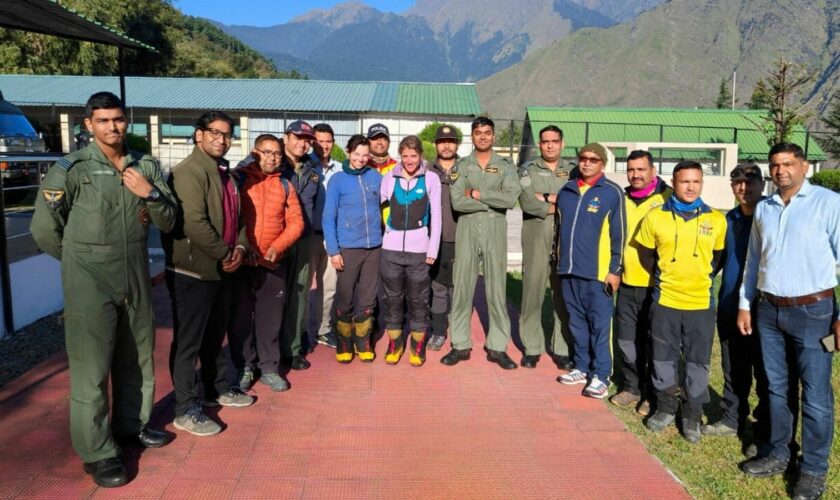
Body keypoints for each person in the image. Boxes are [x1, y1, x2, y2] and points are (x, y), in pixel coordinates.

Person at [31, 92, 176, 488]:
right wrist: (80, 263)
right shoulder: (72, 169)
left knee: (136, 358)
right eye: (104, 120)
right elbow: (44, 228)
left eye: (119, 119)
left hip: (133, 275)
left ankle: (132, 426)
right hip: (89, 280)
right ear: (88, 125)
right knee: (91, 370)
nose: (113, 127)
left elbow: (168, 218)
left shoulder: (144, 166)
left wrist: (150, 192)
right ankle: (98, 451)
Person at [737, 143, 840, 500]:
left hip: (815, 313)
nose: (781, 170)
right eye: (775, 165)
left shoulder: (829, 203)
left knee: (815, 395)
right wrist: (745, 304)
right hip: (768, 312)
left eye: (788, 164)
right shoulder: (764, 207)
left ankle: (812, 471)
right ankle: (778, 453)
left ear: (804, 166)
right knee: (777, 389)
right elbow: (753, 260)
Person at [164, 111, 254, 438]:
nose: (221, 139)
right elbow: (194, 224)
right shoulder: (189, 172)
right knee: (189, 341)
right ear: (199, 135)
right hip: (193, 271)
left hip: (221, 269)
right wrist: (226, 253)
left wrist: (240, 249)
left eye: (227, 134)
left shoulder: (225, 175)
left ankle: (216, 388)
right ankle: (185, 407)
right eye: (214, 132)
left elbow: (240, 220)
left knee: (215, 336)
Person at [704, 164, 797, 458]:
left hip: (766, 311)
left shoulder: (772, 217)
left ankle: (763, 428)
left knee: (768, 373)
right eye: (738, 183)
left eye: (750, 182)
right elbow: (713, 263)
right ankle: (733, 418)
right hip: (731, 307)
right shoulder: (726, 220)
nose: (744, 188)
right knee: (734, 368)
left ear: (762, 183)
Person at [636, 161, 726, 443]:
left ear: (701, 184)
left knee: (697, 362)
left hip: (700, 304)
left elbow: (718, 259)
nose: (690, 187)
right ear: (673, 183)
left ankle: (692, 415)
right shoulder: (655, 217)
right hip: (666, 301)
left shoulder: (716, 219)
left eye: (696, 182)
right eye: (685, 181)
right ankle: (664, 407)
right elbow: (647, 256)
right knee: (663, 358)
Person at [441, 117, 522, 370]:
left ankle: (497, 347)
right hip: (467, 226)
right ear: (472, 136)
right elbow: (457, 202)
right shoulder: (462, 166)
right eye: (478, 133)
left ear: (494, 135)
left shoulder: (506, 166)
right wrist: (491, 200)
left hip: (495, 228)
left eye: (487, 133)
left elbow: (510, 199)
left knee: (496, 287)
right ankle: (460, 345)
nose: (483, 137)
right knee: (463, 285)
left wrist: (477, 194)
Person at [229, 134, 304, 392]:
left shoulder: (285, 185)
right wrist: (242, 246)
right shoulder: (238, 180)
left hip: (272, 262)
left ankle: (270, 368)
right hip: (243, 262)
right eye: (267, 152)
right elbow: (230, 216)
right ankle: (245, 368)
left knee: (270, 319)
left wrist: (278, 246)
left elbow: (296, 222)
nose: (273, 158)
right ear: (255, 152)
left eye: (277, 154)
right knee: (240, 319)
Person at [555, 143, 625, 398]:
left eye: (593, 159)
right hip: (569, 271)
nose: (586, 163)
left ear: (602, 164)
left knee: (599, 326)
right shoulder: (567, 190)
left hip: (597, 275)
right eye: (583, 158)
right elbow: (558, 230)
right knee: (576, 323)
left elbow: (620, 235)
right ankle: (582, 367)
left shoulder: (611, 193)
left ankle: (601, 375)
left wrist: (615, 269)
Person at [610, 150, 671, 414]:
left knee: (653, 341)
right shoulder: (621, 199)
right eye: (631, 169)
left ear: (652, 171)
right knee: (626, 340)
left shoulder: (667, 198)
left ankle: (651, 392)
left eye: (641, 169)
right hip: (626, 282)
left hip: (656, 285)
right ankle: (631, 387)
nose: (636, 174)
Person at [379, 135, 442, 366]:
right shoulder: (388, 178)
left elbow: (437, 217)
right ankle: (395, 343)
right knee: (392, 299)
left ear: (420, 156)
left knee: (418, 300)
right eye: (405, 156)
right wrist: (388, 235)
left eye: (413, 156)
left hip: (420, 252)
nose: (409, 160)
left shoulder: (431, 179)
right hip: (391, 251)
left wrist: (432, 249)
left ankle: (417, 346)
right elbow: (383, 210)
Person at [322, 134, 383, 363]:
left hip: (374, 247)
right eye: (357, 154)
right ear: (348, 153)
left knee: (368, 298)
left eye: (365, 154)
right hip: (348, 248)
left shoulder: (375, 176)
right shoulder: (338, 180)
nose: (361, 159)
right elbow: (329, 217)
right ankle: (345, 340)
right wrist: (334, 251)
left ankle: (362, 340)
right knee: (345, 297)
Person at [517, 125, 572, 369]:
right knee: (532, 293)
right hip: (536, 237)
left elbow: (576, 202)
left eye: (554, 141)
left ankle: (562, 349)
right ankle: (532, 347)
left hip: (566, 239)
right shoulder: (528, 170)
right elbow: (528, 202)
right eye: (545, 141)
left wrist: (547, 197)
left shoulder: (573, 171)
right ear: (539, 144)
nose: (550, 145)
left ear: (562, 143)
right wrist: (560, 202)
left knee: (563, 295)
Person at [279, 120, 321, 370]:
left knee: (299, 295)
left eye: (307, 139)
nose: (303, 143)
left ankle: (292, 349)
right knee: (271, 298)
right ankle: (265, 352)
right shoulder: (272, 163)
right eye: (298, 137)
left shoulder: (312, 170)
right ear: (286, 138)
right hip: (276, 240)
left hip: (303, 241)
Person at [309, 123, 342, 349]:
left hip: (332, 237)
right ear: (312, 142)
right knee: (302, 289)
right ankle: (300, 331)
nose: (324, 145)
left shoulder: (340, 169)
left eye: (328, 141)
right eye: (319, 141)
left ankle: (324, 329)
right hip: (308, 236)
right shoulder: (305, 167)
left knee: (329, 287)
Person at [427, 125, 460, 351]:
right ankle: (438, 331)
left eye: (451, 141)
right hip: (434, 240)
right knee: (438, 287)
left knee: (458, 288)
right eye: (442, 141)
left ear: (457, 144)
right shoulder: (426, 170)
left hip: (462, 238)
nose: (446, 145)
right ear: (436, 144)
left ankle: (459, 333)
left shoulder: (467, 168)